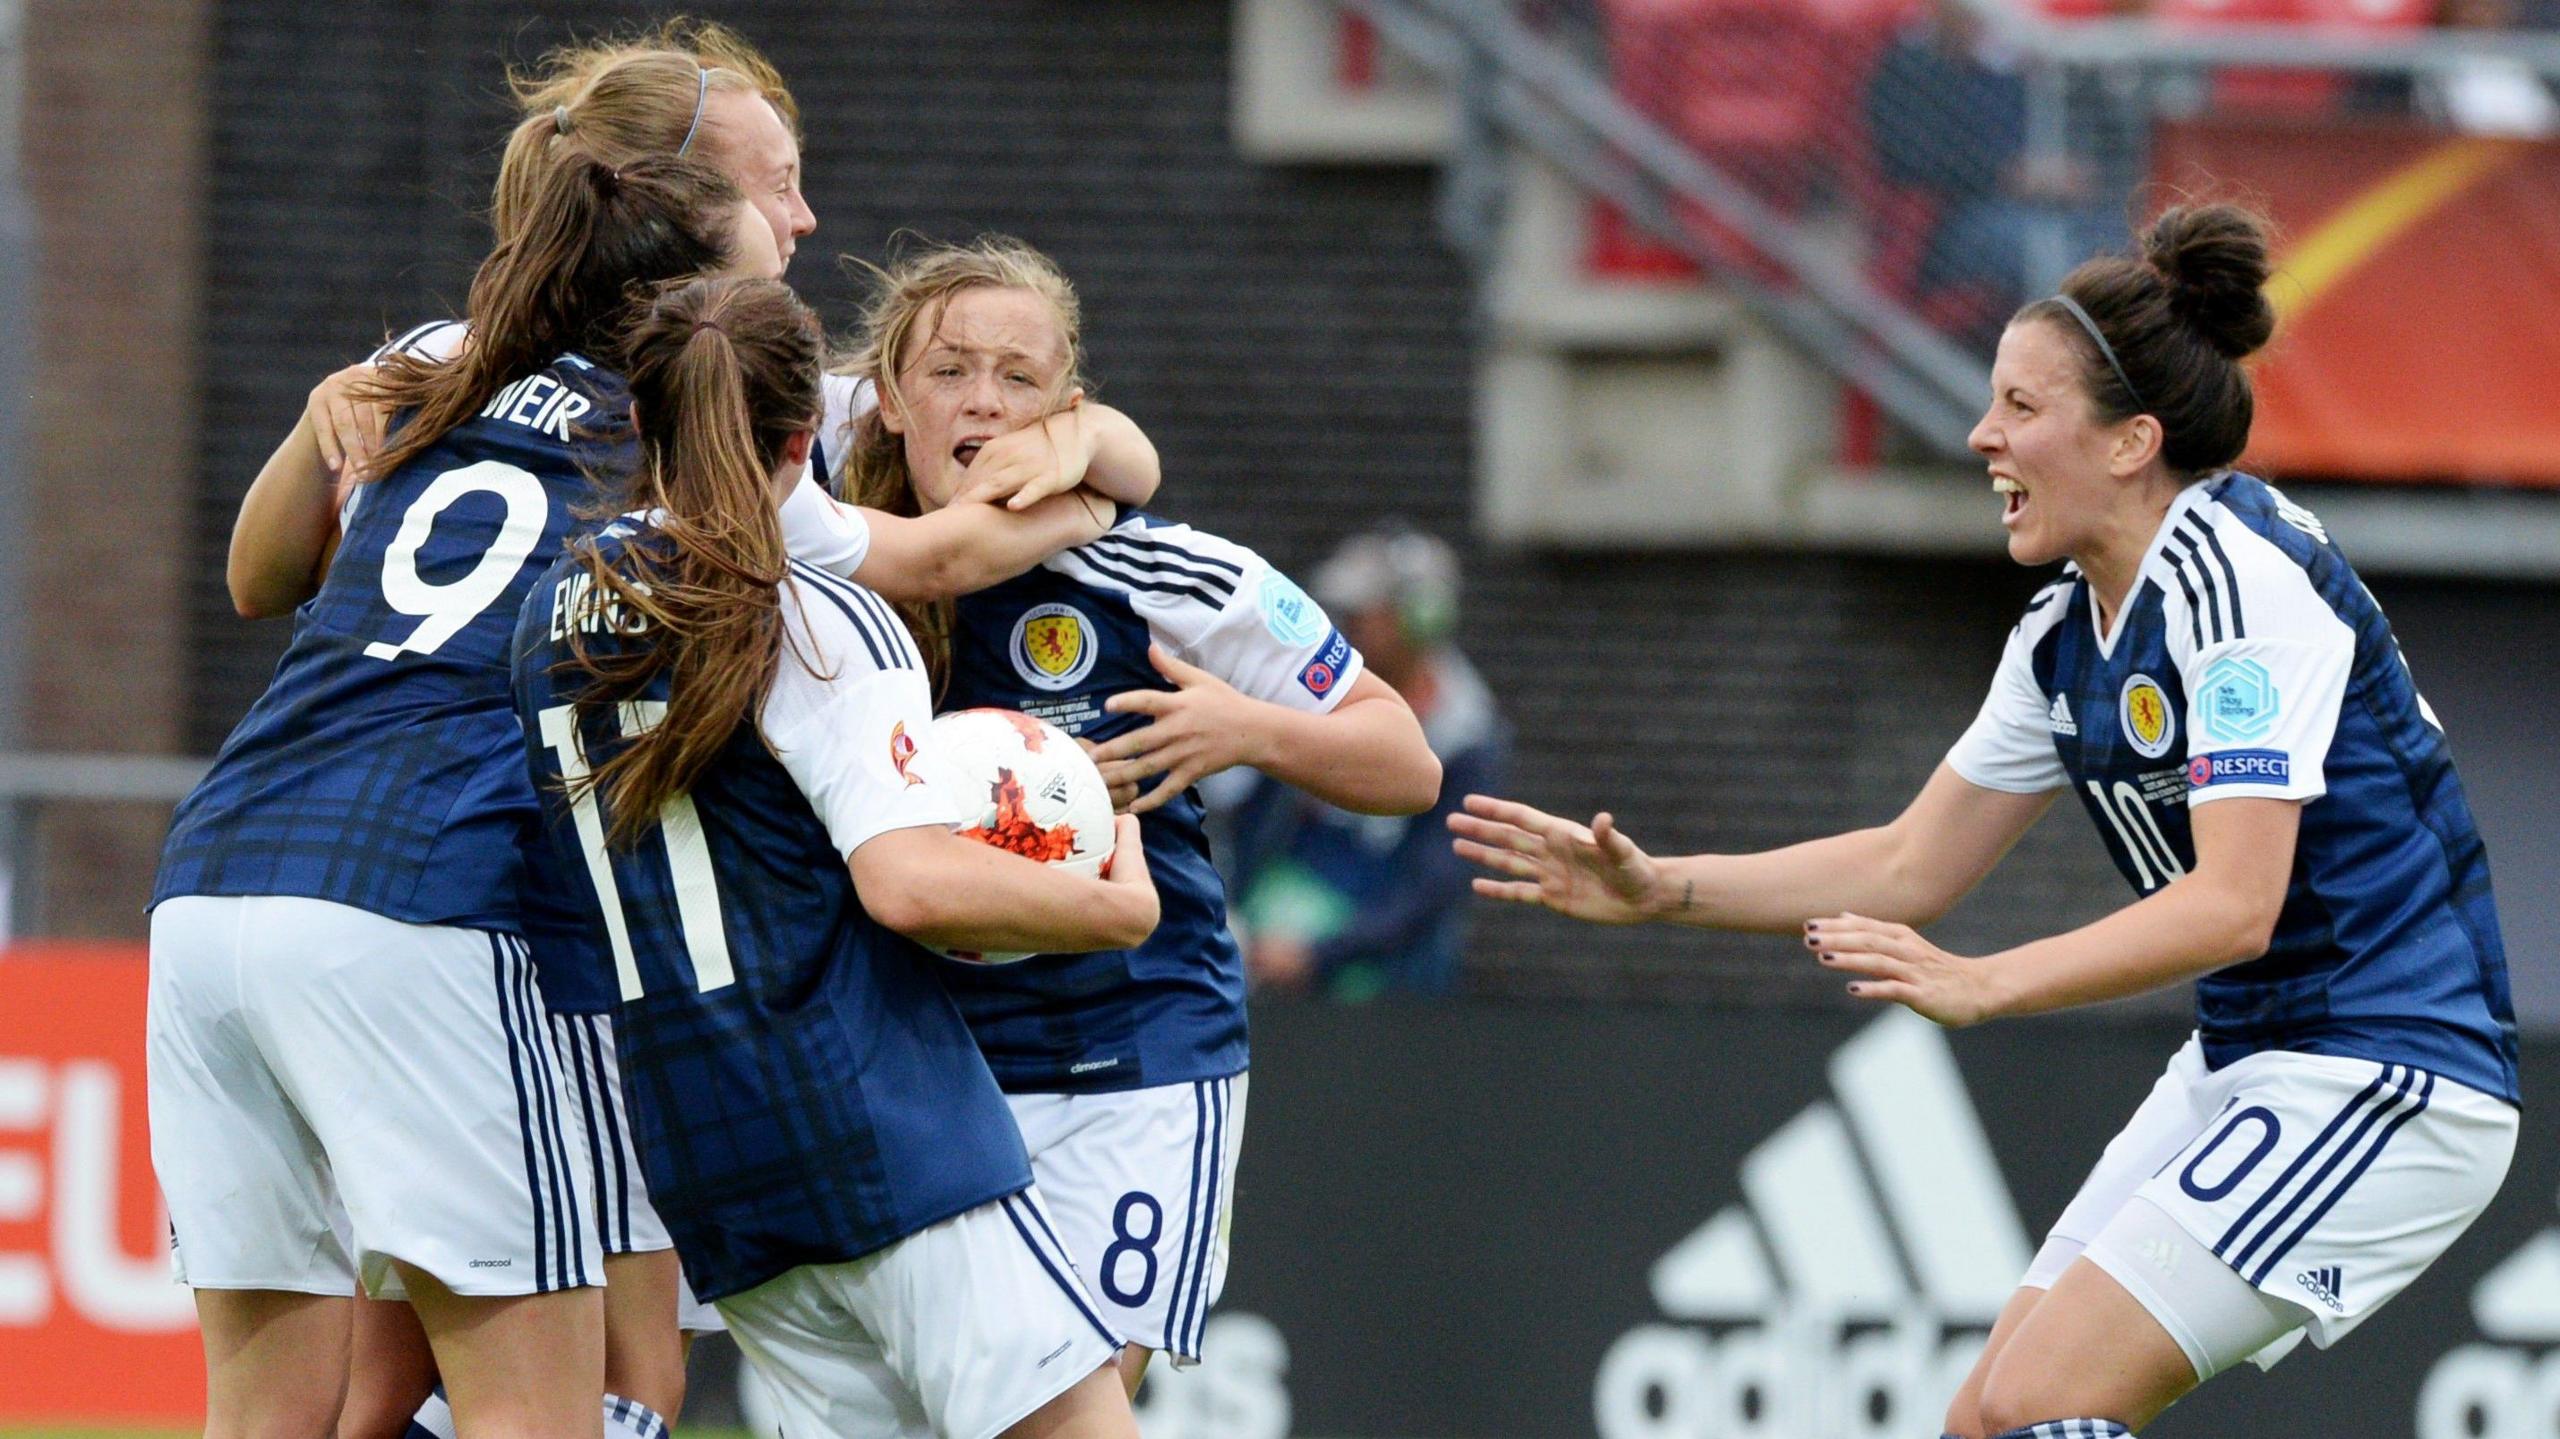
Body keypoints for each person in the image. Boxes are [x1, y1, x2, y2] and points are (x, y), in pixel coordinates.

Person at [1452, 203, 2518, 1438]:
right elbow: (1910, 862)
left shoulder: (2237, 582)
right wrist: (1662, 888)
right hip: (2255, 1056)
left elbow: (2237, 902)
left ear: (2130, 442)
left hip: (2391, 1067)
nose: (1980, 434)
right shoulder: (2066, 631)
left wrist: (1985, 984)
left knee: (2038, 1396)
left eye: (2019, 405)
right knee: (1986, 1421)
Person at [150, 145, 752, 1439]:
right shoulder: (694, 421)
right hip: (432, 893)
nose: (801, 222)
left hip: (214, 875)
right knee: (556, 1407)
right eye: (780, 188)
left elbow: (259, 578)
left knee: (268, 1414)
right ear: (685, 284)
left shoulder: (440, 361)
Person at [512, 271, 1159, 1439]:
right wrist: (1115, 908)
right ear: (807, 437)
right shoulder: (810, 613)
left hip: (706, 1151)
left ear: (642, 423)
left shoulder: (557, 604)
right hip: (876, 1125)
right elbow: (906, 881)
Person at [827, 235, 1443, 1391]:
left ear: (1069, 411)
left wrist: (1247, 731)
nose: (984, 401)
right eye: (952, 369)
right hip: (922, 1061)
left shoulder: (1158, 572)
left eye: (1020, 377)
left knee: (1085, 1401)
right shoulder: (830, 568)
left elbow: (1405, 761)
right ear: (888, 398)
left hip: (1137, 1053)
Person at [1219, 523, 1507, 998]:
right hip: (1275, 926)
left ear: (1421, 619)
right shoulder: (1317, 689)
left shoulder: (1466, 735)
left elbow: (1434, 883)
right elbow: (1253, 815)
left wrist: (1319, 954)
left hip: (1388, 957)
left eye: (1368, 614)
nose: (1350, 626)